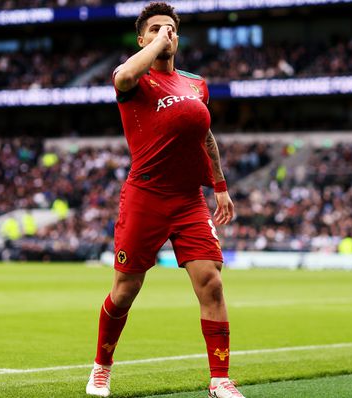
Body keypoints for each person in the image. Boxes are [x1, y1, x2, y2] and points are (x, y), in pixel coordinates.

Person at [86, 3, 244, 398]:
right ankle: (101, 367)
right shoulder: (134, 79)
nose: (165, 33)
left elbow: (205, 136)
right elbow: (122, 75)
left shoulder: (196, 84)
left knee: (211, 284)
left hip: (189, 200)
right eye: (155, 29)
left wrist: (219, 186)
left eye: (170, 28)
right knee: (125, 290)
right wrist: (155, 46)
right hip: (146, 195)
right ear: (142, 39)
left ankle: (220, 379)